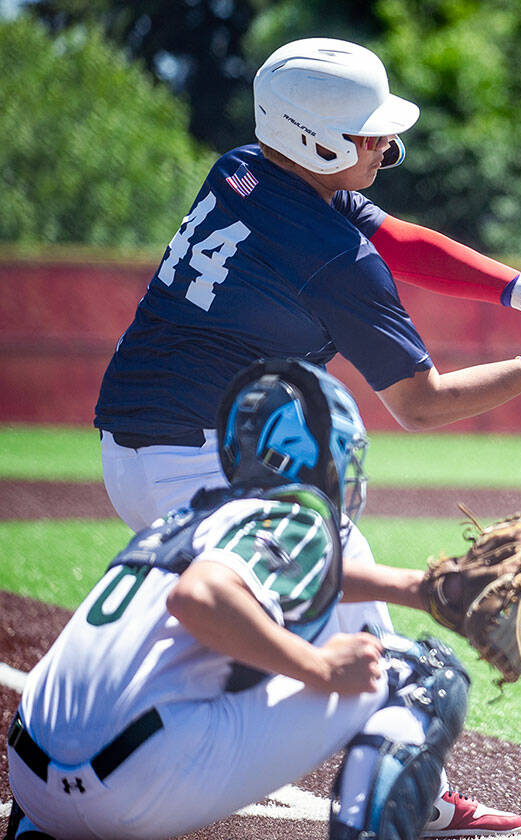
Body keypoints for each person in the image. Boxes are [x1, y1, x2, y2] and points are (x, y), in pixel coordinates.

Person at [89, 37, 521, 835]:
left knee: (294, 595)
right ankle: (403, 782)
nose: (386, 144)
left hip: (131, 445)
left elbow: (396, 237)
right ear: (316, 139)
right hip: (191, 463)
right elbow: (421, 402)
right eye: (369, 132)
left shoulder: (248, 168)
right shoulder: (333, 261)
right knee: (345, 593)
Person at [6, 359, 484, 840]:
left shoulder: (188, 517)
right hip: (133, 783)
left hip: (31, 781)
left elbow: (285, 577)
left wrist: (417, 589)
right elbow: (200, 596)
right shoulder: (294, 515)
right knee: (422, 675)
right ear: (318, 454)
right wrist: (320, 667)